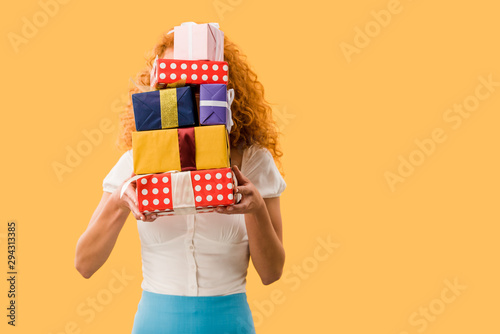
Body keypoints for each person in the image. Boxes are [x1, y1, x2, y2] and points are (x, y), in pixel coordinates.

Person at [74, 26, 286, 334]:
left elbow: (272, 273)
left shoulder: (255, 162)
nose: (184, 94)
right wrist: (121, 200)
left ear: (222, 89)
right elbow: (84, 264)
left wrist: (255, 211)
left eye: (196, 83)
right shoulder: (136, 163)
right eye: (172, 85)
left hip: (229, 323)